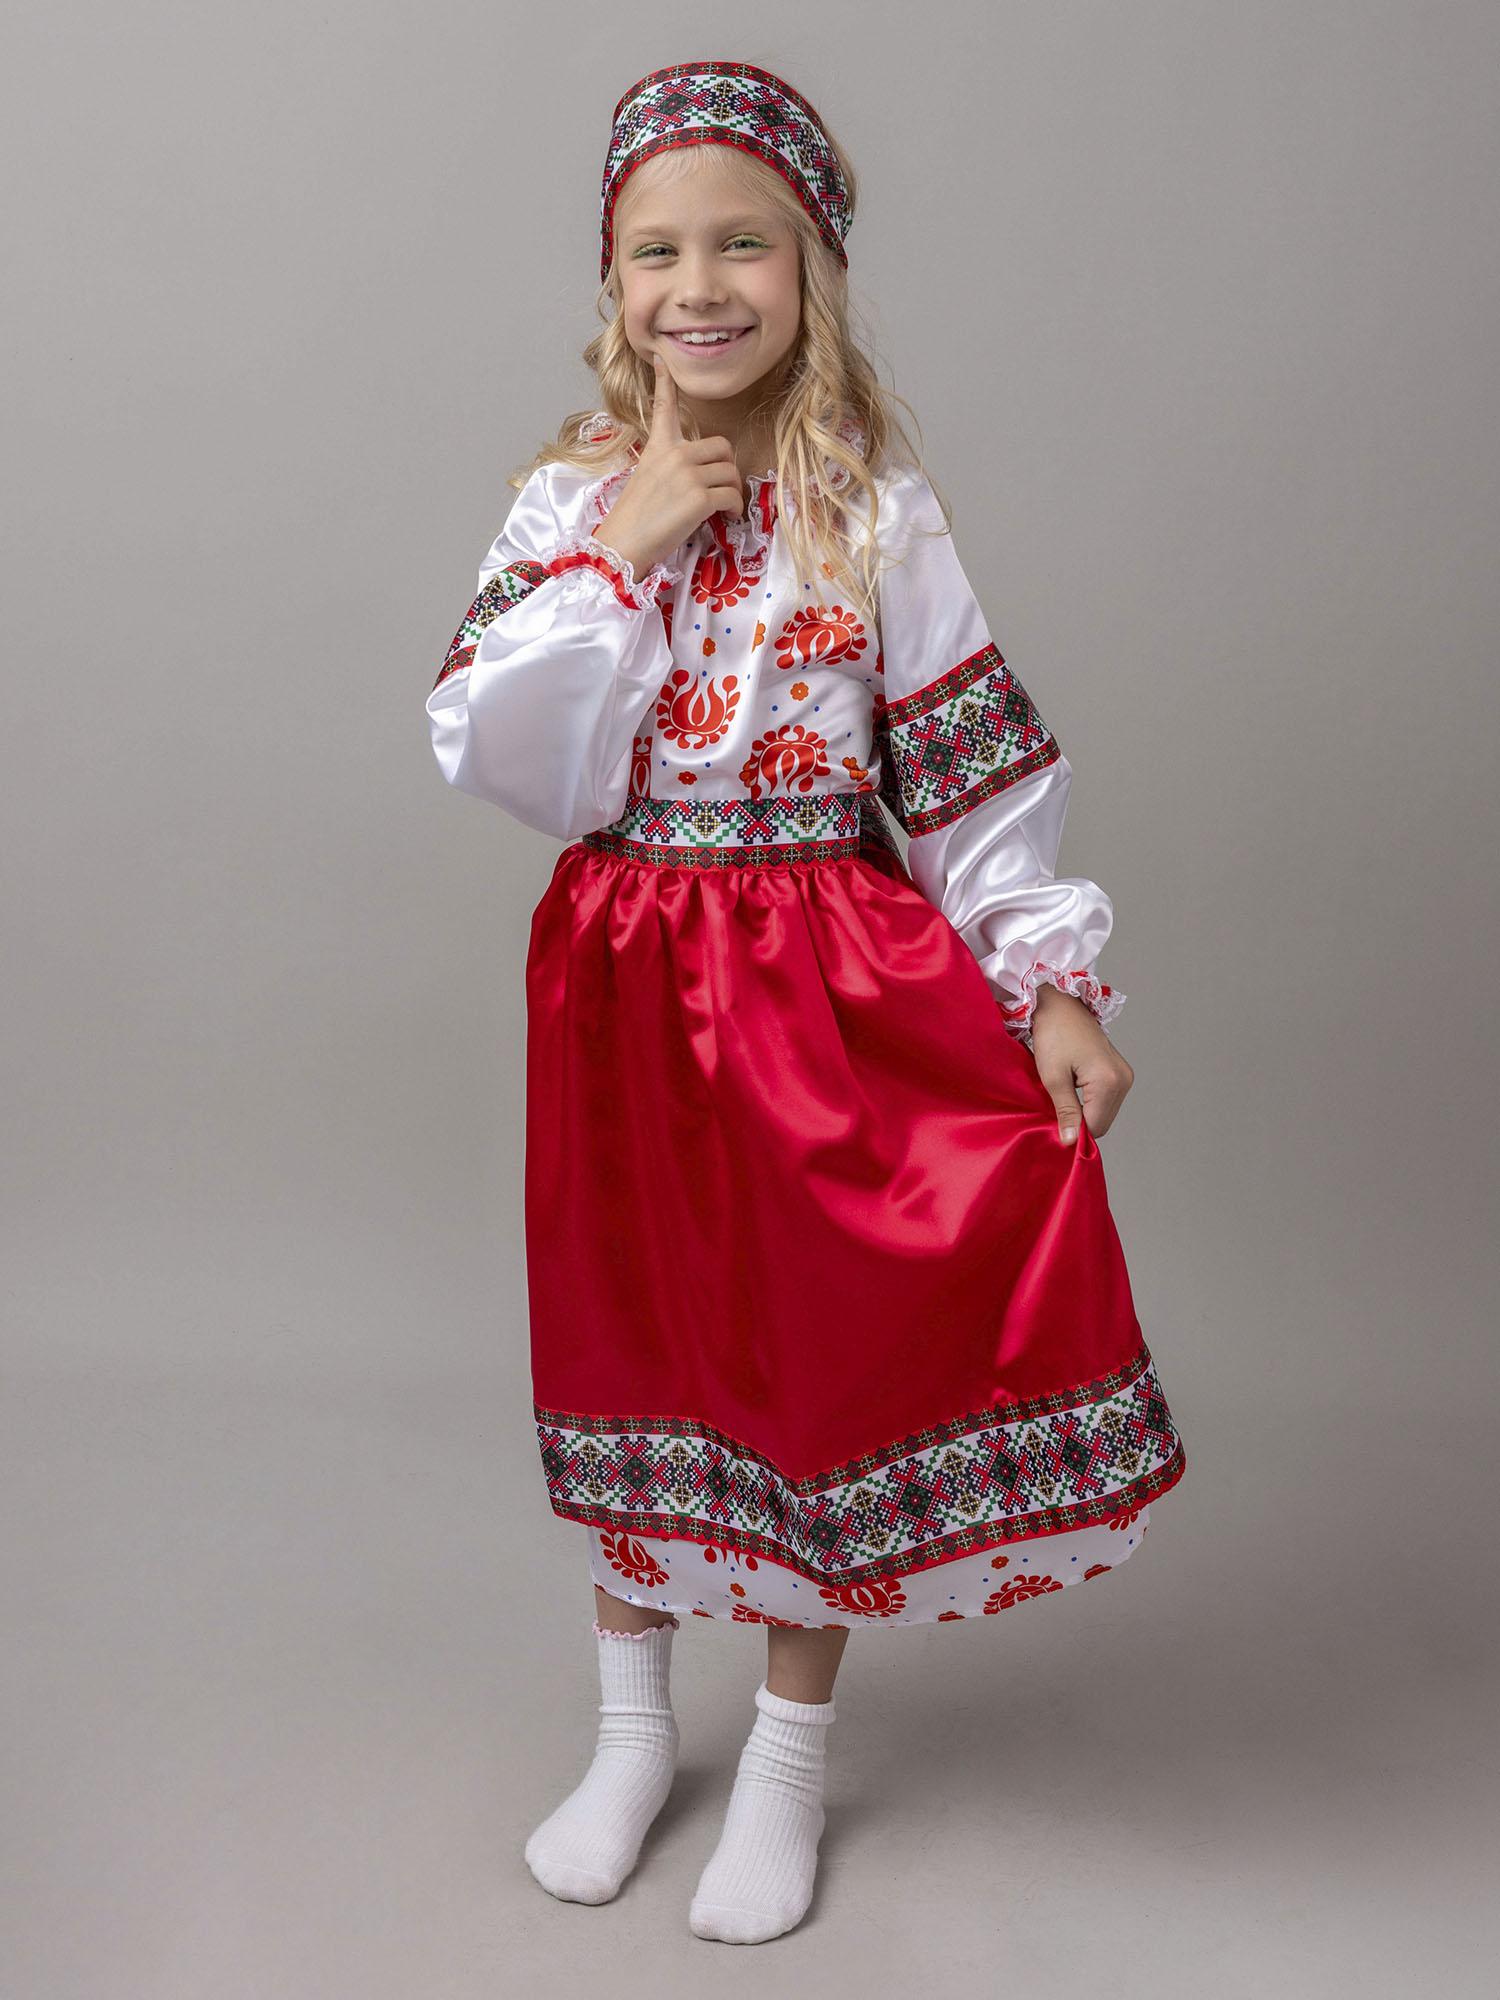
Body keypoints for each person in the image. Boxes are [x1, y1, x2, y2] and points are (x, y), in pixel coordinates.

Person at [426, 56, 1187, 1946]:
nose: (700, 285)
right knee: (629, 1342)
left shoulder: (874, 508)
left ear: (813, 268)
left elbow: (967, 769)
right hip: (621, 981)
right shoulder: (564, 503)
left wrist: (1051, 984)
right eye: (657, 250)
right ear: (612, 282)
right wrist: (627, 545)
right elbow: (508, 757)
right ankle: (629, 1733)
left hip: (819, 987)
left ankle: (782, 1753)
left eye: (743, 244)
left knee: (812, 1362)